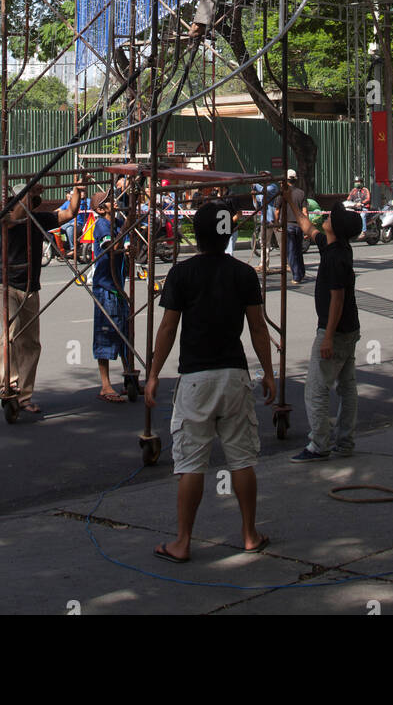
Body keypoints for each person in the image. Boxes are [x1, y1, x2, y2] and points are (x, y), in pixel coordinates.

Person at [145, 198, 276, 562]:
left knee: (190, 463)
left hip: (195, 379)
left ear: (197, 236)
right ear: (228, 233)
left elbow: (168, 328)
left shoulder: (181, 274)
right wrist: (267, 372)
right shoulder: (244, 274)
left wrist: (153, 374)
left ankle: (183, 542)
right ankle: (250, 533)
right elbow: (258, 328)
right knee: (242, 459)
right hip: (234, 376)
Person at [0, 181, 83, 416]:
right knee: (10, 333)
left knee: (31, 342)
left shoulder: (39, 219)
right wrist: (28, 192)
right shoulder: (7, 218)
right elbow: (13, 218)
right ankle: (8, 386)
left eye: (32, 198)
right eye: (26, 198)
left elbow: (70, 213)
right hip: (6, 284)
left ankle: (24, 395)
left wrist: (77, 190)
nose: (30, 202)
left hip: (30, 286)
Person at [290, 199, 362, 461]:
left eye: (333, 218)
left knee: (316, 388)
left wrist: (328, 336)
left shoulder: (335, 258)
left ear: (337, 229)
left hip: (337, 331)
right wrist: (290, 200)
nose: (328, 218)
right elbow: (307, 227)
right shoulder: (333, 246)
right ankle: (345, 442)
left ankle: (319, 445)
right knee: (347, 385)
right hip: (350, 329)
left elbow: (337, 299)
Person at [90, 192, 132, 403]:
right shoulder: (102, 226)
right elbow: (112, 248)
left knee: (125, 333)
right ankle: (105, 385)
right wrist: (126, 228)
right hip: (105, 287)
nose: (114, 201)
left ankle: (129, 375)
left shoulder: (116, 221)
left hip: (118, 287)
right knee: (105, 334)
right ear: (100, 209)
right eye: (109, 201)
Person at [275, 168, 306, 284]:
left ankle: (297, 276)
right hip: (299, 225)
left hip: (288, 226)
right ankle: (301, 273)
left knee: (291, 251)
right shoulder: (301, 193)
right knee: (298, 250)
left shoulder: (283, 193)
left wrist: (276, 223)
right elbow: (305, 212)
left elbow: (277, 211)